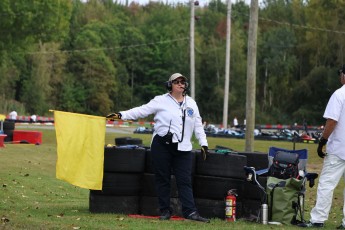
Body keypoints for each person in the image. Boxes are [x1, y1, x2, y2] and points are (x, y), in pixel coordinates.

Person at [106, 73, 210, 223]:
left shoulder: (192, 103)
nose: (181, 84)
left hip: (184, 148)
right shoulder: (160, 100)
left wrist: (204, 143)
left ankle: (190, 212)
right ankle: (165, 211)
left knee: (184, 180)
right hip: (162, 146)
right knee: (162, 179)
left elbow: (198, 125)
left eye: (183, 82)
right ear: (170, 85)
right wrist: (120, 115)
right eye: (177, 82)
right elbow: (141, 110)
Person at [300, 65, 345, 229]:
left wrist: (322, 142)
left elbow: (332, 121)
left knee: (326, 184)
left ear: (344, 75)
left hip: (339, 149)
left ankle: (318, 219)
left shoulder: (339, 94)